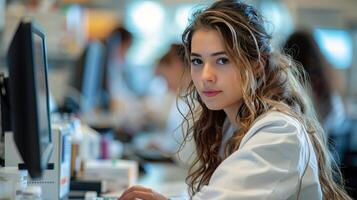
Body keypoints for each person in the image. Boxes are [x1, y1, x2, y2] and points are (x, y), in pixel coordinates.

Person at [119, 1, 351, 200]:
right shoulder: (229, 122)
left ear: (256, 65)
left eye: (222, 61)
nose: (206, 76)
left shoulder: (280, 133)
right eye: (197, 61)